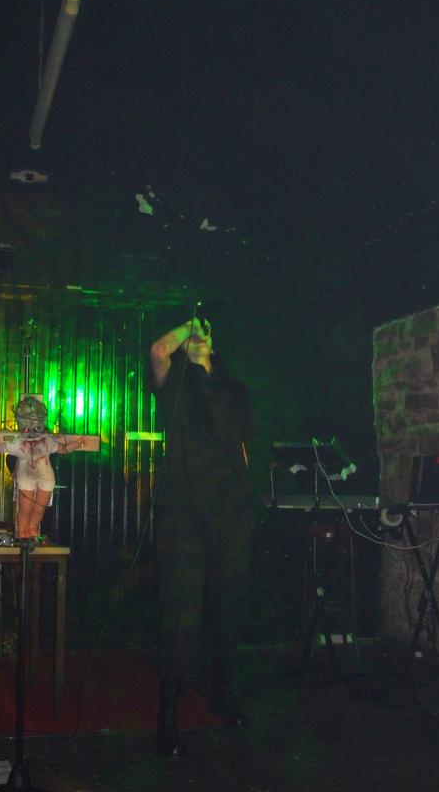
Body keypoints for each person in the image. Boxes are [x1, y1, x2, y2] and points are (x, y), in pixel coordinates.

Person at [150, 315, 257, 757]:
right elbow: (158, 350)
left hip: (230, 508)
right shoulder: (177, 383)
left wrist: (248, 500)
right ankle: (167, 714)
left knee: (227, 603)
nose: (199, 337)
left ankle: (222, 692)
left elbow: (243, 447)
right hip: (183, 511)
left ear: (216, 342)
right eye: (194, 334)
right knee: (180, 610)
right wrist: (188, 326)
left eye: (206, 333)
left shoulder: (233, 389)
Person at [0, 395, 84, 545]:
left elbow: (63, 449)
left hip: (45, 478)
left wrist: (76, 444)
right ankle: (23, 530)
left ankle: (32, 527)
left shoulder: (47, 441)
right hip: (26, 479)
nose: (31, 431)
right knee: (25, 509)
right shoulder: (19, 443)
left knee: (39, 508)